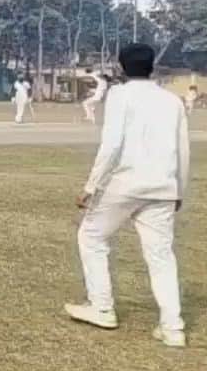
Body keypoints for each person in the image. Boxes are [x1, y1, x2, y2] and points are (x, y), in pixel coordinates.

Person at [66, 44, 190, 348]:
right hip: (163, 186)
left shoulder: (119, 95)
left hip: (124, 184)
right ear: (152, 67)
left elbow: (112, 145)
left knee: (91, 236)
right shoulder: (172, 101)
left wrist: (91, 186)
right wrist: (180, 190)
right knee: (161, 255)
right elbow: (183, 148)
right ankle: (173, 327)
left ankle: (101, 307)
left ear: (121, 67)